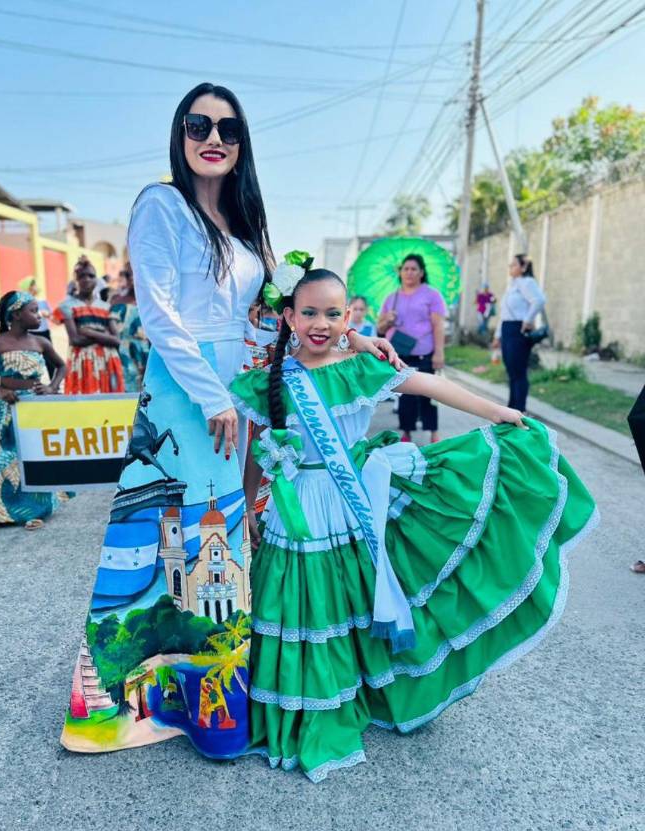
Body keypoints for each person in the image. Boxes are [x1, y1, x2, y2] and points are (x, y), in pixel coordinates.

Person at [59, 83, 400, 757]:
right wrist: (211, 397)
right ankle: (143, 703)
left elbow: (291, 309)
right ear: (179, 135)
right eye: (198, 124)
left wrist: (354, 340)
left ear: (242, 146)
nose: (213, 137)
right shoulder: (162, 205)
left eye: (228, 129)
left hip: (234, 391)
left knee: (220, 544)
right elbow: (157, 313)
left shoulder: (243, 228)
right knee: (179, 539)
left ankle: (211, 707)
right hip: (190, 395)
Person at [229, 262, 598, 783]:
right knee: (306, 604)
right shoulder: (266, 382)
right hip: (299, 511)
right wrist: (249, 506)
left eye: (334, 313)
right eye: (308, 312)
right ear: (288, 316)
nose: (321, 323)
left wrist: (498, 412)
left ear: (348, 317)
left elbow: (429, 384)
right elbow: (253, 452)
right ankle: (308, 700)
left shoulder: (359, 367)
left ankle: (365, 686)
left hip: (353, 500)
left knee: (353, 596)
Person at [0, 291, 66, 531]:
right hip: (7, 409)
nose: (39, 316)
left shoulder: (40, 342)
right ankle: (1, 513)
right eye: (33, 311)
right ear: (16, 314)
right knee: (1, 459)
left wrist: (51, 387)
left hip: (34, 408)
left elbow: (61, 366)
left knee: (34, 457)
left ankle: (37, 511)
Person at [377, 254, 446, 443]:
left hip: (424, 353)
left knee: (429, 393)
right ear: (400, 272)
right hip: (399, 354)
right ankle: (407, 432)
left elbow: (438, 325)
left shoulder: (432, 295)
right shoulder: (392, 298)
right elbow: (380, 328)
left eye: (413, 269)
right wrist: (386, 320)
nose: (409, 272)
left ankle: (433, 433)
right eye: (405, 269)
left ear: (421, 273)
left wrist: (439, 352)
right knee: (406, 395)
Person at [55, 260, 124, 394]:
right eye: (82, 276)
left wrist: (90, 332)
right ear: (76, 280)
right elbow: (75, 340)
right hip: (82, 362)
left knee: (109, 405)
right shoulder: (67, 306)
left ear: (97, 280)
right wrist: (104, 334)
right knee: (83, 405)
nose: (86, 280)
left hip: (107, 361)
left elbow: (116, 340)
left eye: (91, 276)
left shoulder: (106, 307)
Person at [492, 254, 547, 411]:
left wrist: (528, 320)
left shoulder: (527, 282)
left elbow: (539, 300)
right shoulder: (512, 286)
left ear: (523, 267)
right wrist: (497, 335)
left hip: (518, 329)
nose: (511, 267)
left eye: (514, 264)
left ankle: (519, 409)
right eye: (510, 265)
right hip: (507, 328)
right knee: (510, 370)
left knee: (518, 371)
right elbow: (504, 313)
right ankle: (511, 407)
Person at [109, 265, 149, 391]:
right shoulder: (116, 300)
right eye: (131, 274)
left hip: (146, 351)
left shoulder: (151, 299)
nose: (134, 278)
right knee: (126, 389)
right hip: (123, 352)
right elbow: (111, 328)